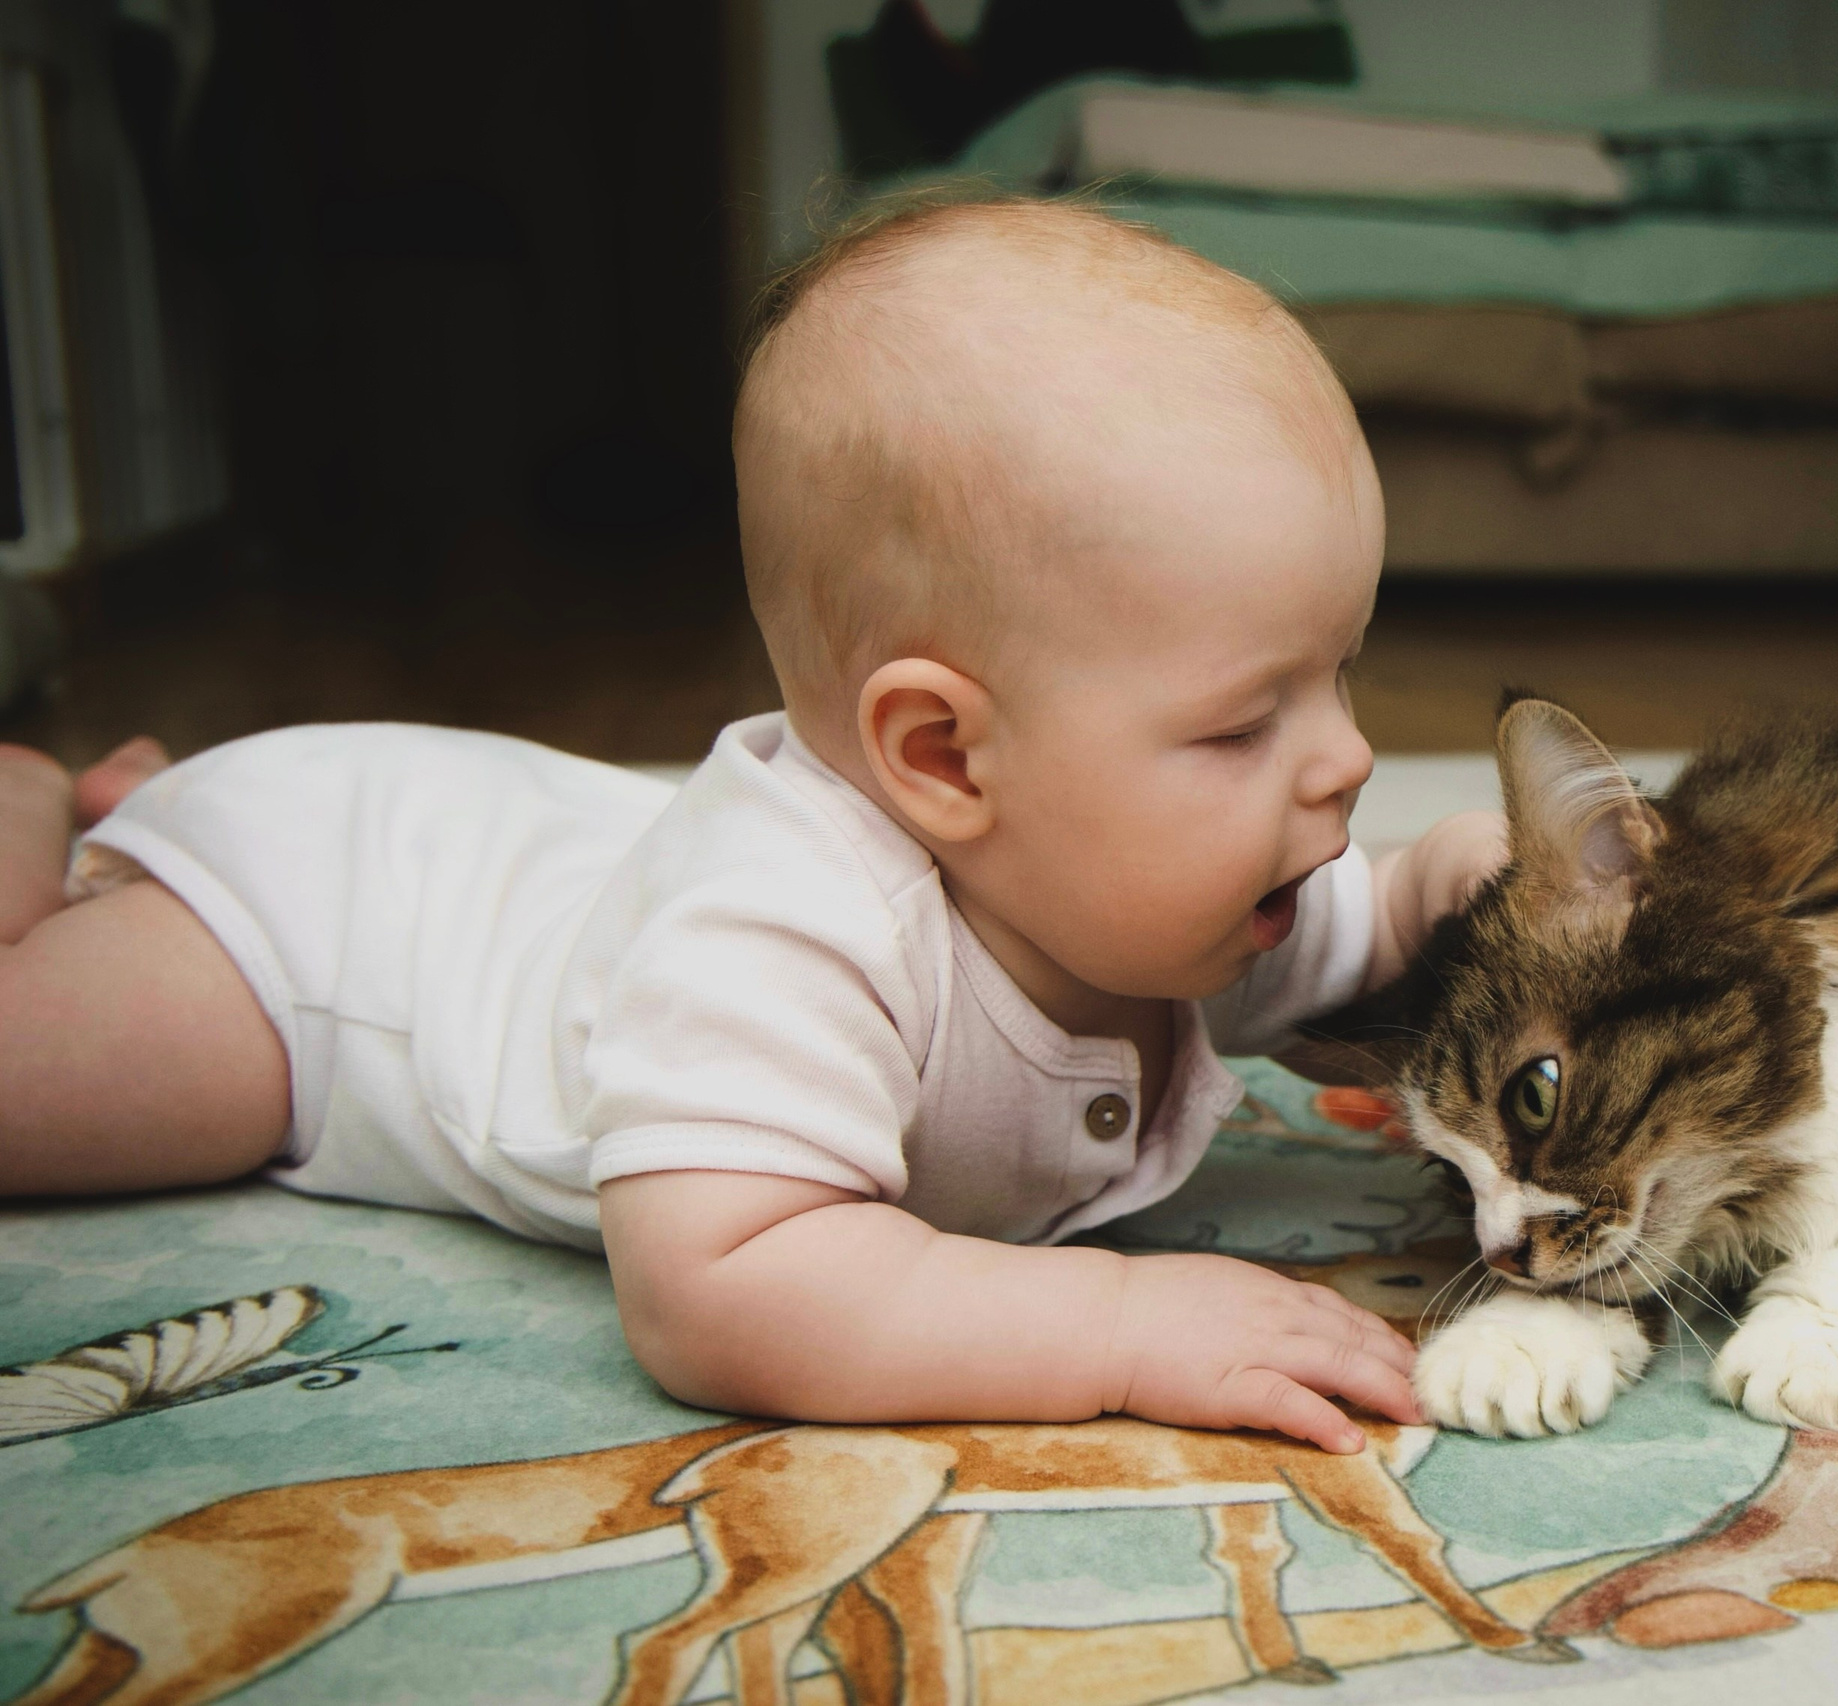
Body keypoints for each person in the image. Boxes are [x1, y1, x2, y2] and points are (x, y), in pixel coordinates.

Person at [0, 196, 1509, 1456]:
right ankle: (35, 807)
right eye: (1248, 722)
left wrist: (1468, 887)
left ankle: (132, 798)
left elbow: (1372, 940)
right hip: (322, 931)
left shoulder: (1179, 883)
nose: (1345, 759)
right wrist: (1118, 1322)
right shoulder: (784, 931)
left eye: (1341, 673)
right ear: (943, 755)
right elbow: (726, 1287)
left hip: (532, 839)